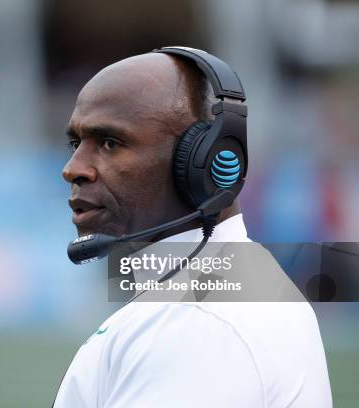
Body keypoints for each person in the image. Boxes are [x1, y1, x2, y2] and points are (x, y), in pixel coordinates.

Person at [54, 49, 332, 407]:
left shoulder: (200, 323)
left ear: (206, 161)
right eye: (76, 144)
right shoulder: (215, 295)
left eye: (110, 143)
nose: (73, 168)